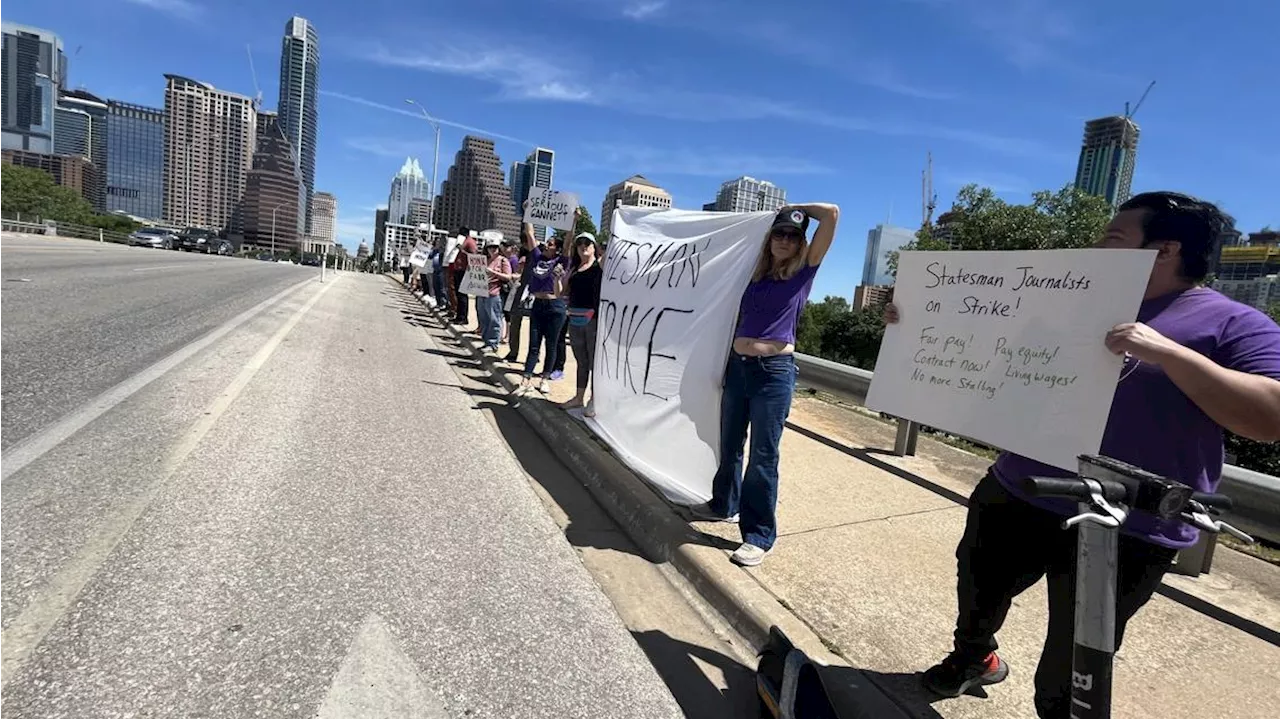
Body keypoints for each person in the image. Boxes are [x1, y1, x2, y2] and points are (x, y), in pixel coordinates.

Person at [883, 192, 1280, 718]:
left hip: (1126, 522)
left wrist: (1166, 351)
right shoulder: (1065, 304)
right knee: (978, 593)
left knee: (1076, 660)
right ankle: (972, 659)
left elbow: (1269, 418)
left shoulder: (1234, 323)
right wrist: (911, 323)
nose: (1096, 246)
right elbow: (992, 360)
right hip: (1019, 487)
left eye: (1112, 238)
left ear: (1164, 250)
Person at [691, 204, 840, 568]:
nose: (784, 240)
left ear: (800, 243)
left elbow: (832, 214)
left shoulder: (803, 273)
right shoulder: (752, 274)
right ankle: (723, 504)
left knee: (763, 455)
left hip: (773, 373)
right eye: (778, 233)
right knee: (729, 444)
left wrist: (794, 209)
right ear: (769, 238)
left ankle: (758, 535)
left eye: (792, 235)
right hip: (738, 368)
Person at [518, 205, 572, 394]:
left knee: (551, 344)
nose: (546, 244)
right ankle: (525, 378)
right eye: (547, 242)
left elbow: (568, 243)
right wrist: (528, 212)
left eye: (550, 243)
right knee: (534, 343)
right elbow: (530, 233)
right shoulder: (537, 257)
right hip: (538, 305)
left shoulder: (561, 261)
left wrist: (573, 220)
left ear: (556, 249)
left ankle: (544, 378)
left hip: (555, 307)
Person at [562, 232, 604, 414]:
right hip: (574, 319)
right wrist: (560, 279)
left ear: (594, 247)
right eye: (580, 243)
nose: (583, 246)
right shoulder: (573, 269)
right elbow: (562, 292)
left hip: (592, 320)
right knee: (581, 361)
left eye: (587, 243)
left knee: (595, 362)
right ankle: (579, 398)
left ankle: (594, 400)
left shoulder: (600, 265)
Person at [478, 238, 512, 353]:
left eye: (495, 247)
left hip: (494, 292)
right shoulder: (485, 260)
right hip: (482, 292)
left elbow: (508, 277)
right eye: (490, 247)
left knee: (494, 319)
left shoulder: (503, 261)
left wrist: (494, 273)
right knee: (484, 319)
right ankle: (486, 341)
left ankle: (493, 343)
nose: (493, 250)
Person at [449, 228, 477, 326]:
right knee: (458, 294)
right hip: (459, 270)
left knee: (462, 295)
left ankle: (463, 317)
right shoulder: (464, 241)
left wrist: (462, 250)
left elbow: (474, 256)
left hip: (464, 271)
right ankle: (459, 315)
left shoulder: (470, 242)